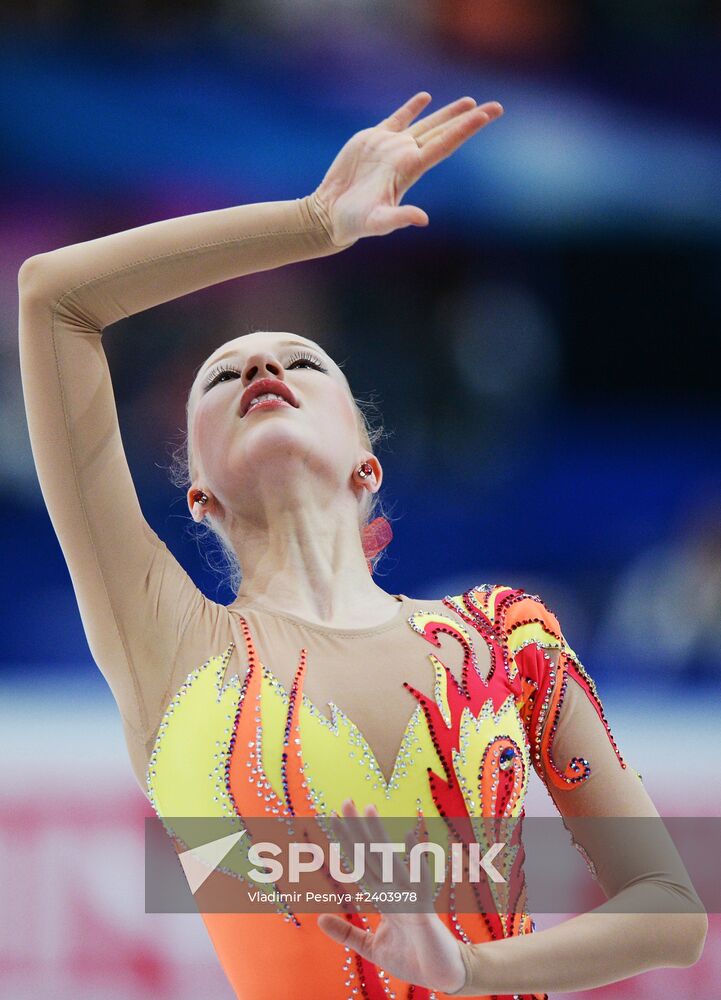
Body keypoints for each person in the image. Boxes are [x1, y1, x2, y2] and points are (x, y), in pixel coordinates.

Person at [18, 92, 706, 999]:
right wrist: (310, 224)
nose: (262, 368)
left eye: (304, 361)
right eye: (222, 375)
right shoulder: (170, 646)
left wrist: (470, 968)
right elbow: (54, 298)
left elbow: (668, 910)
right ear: (199, 497)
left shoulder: (502, 638)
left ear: (365, 463)